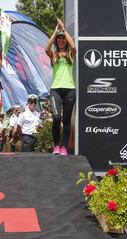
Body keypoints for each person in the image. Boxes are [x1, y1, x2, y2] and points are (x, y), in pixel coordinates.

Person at [45, 18, 76, 156]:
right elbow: (46, 48)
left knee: (66, 120)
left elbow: (73, 46)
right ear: (57, 41)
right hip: (55, 90)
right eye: (59, 39)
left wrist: (64, 29)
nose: (61, 41)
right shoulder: (54, 55)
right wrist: (56, 32)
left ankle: (63, 147)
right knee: (56, 118)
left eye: (63, 39)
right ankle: (56, 146)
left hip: (70, 90)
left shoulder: (70, 54)